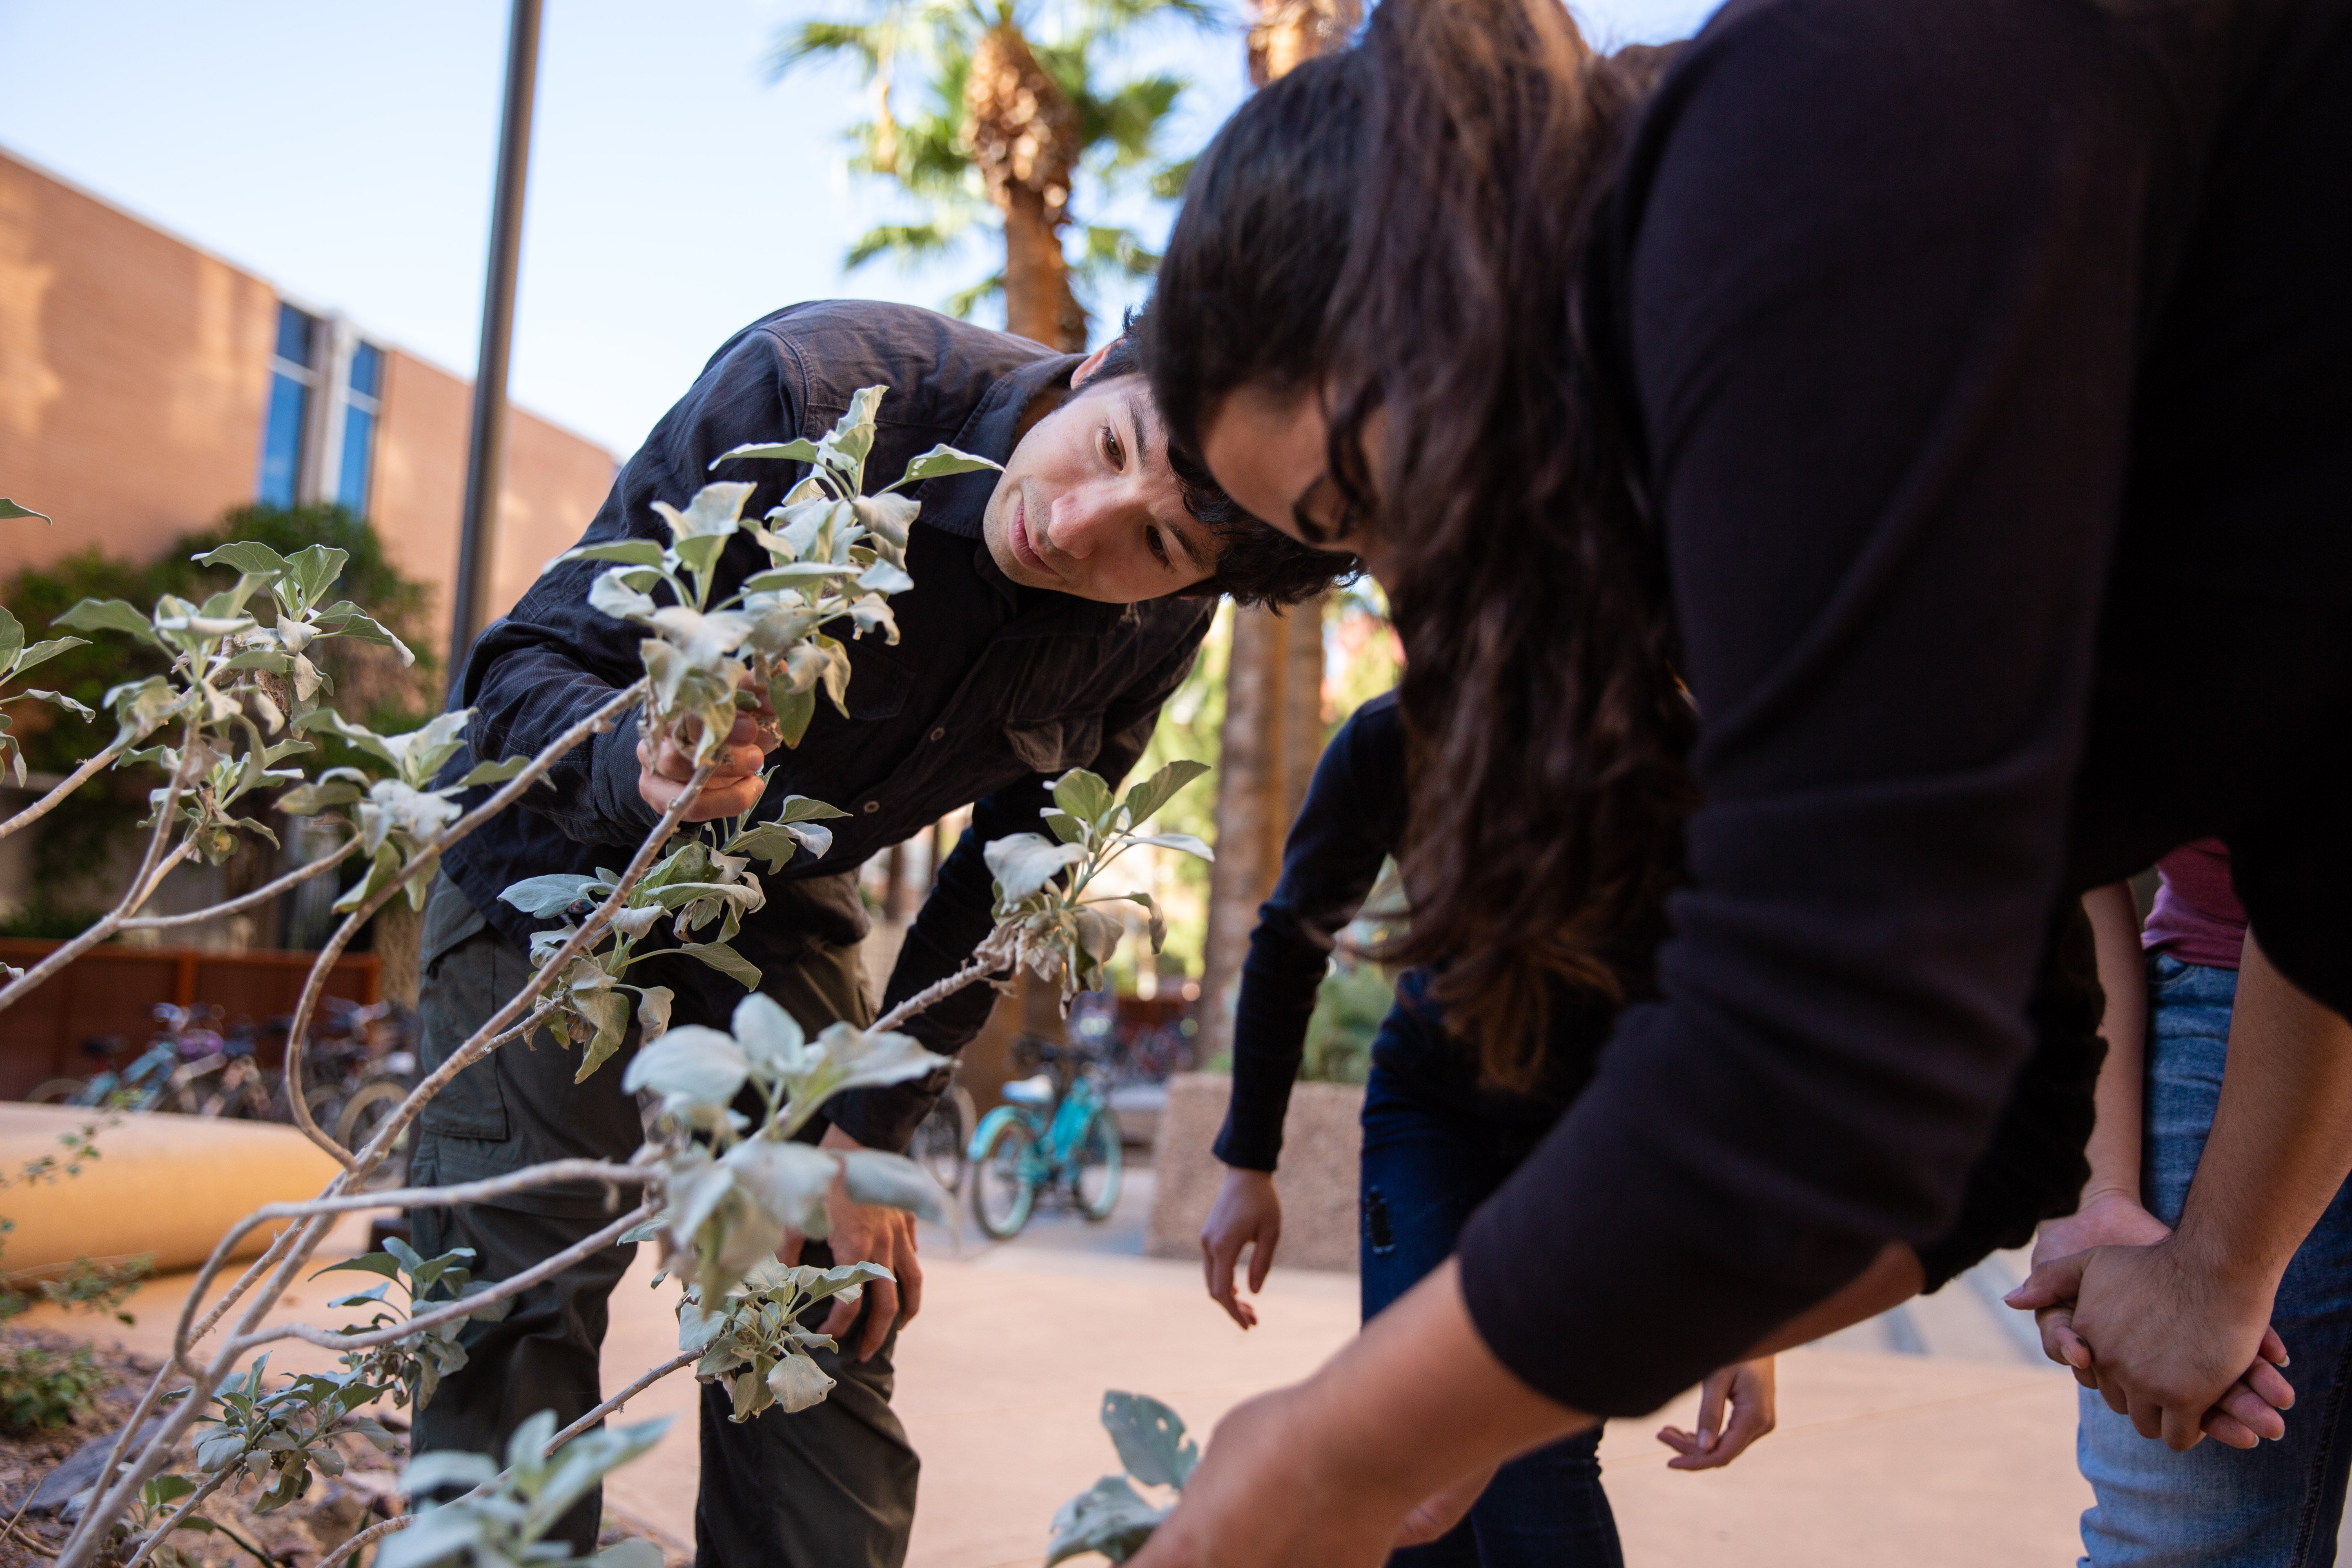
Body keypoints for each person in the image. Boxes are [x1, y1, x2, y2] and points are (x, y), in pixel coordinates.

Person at [1126, 0, 2352, 1557]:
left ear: (1438, 245)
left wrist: (1332, 1455)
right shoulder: (1750, 544)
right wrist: (1463, 1420)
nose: (1407, 577)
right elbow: (2003, 1129)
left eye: (1368, 490)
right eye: (1349, 543)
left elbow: (1828, 1056)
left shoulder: (1792, 150)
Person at [408, 298, 1351, 1567]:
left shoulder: (1162, 619)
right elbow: (515, 674)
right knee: (513, 1310)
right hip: (551, 859)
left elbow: (1010, 879)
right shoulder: (806, 393)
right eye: (1115, 449)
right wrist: (641, 750)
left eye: (1160, 543)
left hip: (781, 892)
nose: (1079, 530)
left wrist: (864, 1135)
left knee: (825, 1305)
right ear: (1096, 366)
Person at [1201, 690, 1773, 1567]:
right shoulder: (1392, 739)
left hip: (1601, 1136)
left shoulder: (1690, 752)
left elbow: (1744, 1028)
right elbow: (1290, 941)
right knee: (1411, 1443)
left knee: (1527, 1453)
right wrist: (1250, 1160)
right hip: (1433, 1111)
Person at [2028, 851, 2352, 1566]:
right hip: (2225, 980)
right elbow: (2054, 828)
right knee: (2179, 1543)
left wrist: (2220, 1267)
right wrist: (2095, 1185)